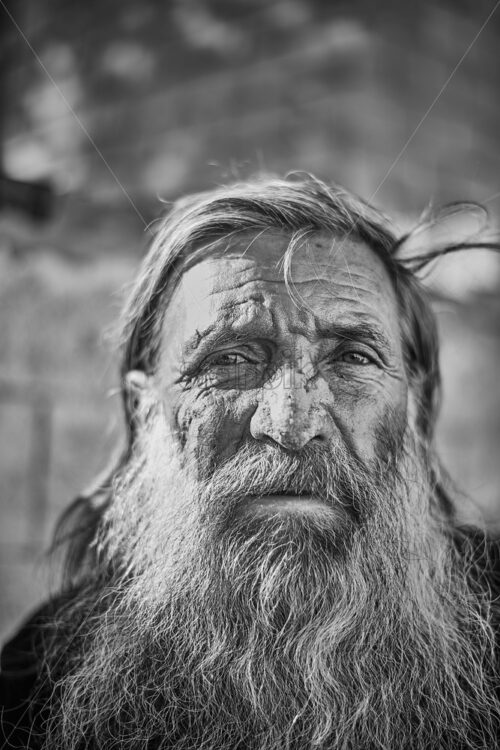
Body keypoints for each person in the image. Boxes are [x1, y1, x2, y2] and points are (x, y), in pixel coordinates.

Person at [1, 174, 500, 750]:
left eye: (354, 358)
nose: (292, 423)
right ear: (147, 412)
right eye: (231, 358)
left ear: (411, 407)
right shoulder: (39, 679)